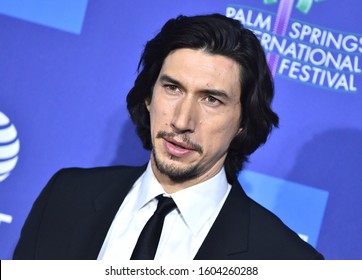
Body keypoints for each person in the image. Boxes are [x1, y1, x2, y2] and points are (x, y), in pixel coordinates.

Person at [13, 13, 324, 260]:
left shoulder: (286, 263)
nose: (181, 121)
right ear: (148, 96)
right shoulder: (65, 196)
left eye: (211, 99)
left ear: (244, 121)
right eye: (172, 88)